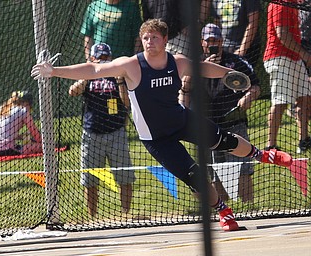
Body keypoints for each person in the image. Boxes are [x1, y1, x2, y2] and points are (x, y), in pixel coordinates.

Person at [32, 19, 293, 232]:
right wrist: (54, 71)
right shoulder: (130, 65)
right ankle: (223, 211)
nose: (150, 41)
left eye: (155, 37)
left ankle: (264, 155)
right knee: (195, 176)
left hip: (181, 120)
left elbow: (203, 67)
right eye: (146, 37)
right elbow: (94, 70)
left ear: (165, 40)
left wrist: (227, 74)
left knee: (223, 139)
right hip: (155, 138)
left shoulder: (176, 62)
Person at [179, 24, 260, 202]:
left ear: (222, 41)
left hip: (234, 123)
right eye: (209, 41)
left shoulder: (237, 61)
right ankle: (223, 210)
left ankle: (249, 208)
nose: (212, 44)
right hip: (206, 126)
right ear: (202, 43)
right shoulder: (194, 63)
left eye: (216, 40)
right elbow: (184, 88)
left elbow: (255, 86)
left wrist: (249, 96)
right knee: (214, 173)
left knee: (243, 169)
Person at [68, 43, 135, 217]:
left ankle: (125, 214)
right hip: (91, 134)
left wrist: (119, 78)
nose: (102, 61)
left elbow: (126, 103)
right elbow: (72, 92)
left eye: (105, 58)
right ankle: (93, 217)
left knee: (125, 177)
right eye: (99, 58)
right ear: (91, 58)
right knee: (90, 180)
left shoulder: (118, 76)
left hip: (116, 132)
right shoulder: (87, 76)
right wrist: (90, 74)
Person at [263, 0, 311, 154]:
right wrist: (304, 54)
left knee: (305, 97)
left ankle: (304, 140)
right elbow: (282, 35)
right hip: (279, 57)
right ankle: (271, 145)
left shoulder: (294, 3)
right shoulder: (280, 3)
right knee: (281, 102)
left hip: (294, 57)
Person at [140, 0, 209, 57]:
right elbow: (147, 18)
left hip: (180, 36)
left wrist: (199, 22)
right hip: (156, 38)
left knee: (180, 68)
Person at [210, 0, 261, 67]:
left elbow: (253, 23)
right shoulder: (216, 1)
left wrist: (242, 50)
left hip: (246, 48)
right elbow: (217, 25)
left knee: (241, 75)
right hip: (225, 48)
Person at [0, 91, 42, 157]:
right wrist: (45, 142)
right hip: (7, 151)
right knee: (43, 146)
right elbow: (36, 134)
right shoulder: (23, 110)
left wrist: (20, 136)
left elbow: (2, 133)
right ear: (27, 103)